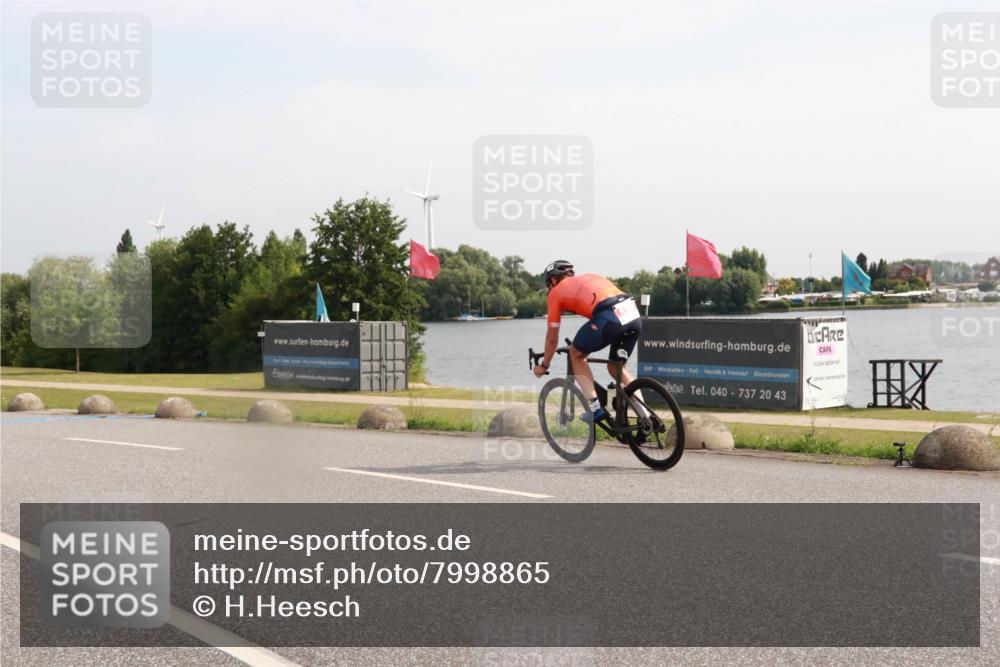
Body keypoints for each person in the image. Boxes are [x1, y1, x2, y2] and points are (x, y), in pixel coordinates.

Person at [531, 260, 643, 423]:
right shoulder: (591, 276)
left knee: (576, 354)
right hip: (632, 313)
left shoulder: (555, 293)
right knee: (616, 368)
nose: (550, 287)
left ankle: (596, 409)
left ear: (553, 280)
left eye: (549, 284)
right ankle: (646, 418)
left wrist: (544, 365)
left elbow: (552, 337)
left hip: (609, 315)